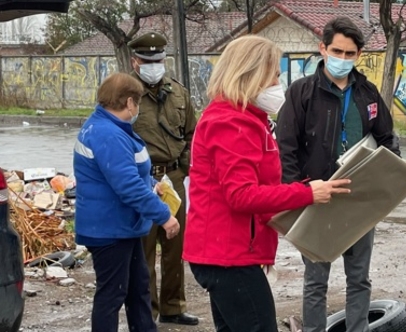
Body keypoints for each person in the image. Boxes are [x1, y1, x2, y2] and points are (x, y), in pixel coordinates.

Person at [182, 35, 351, 332]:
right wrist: (307, 193)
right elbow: (242, 196)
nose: (277, 83)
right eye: (274, 75)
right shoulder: (233, 122)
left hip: (228, 252)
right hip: (228, 255)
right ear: (252, 75)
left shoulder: (242, 118)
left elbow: (253, 189)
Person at [276, 16, 400, 332]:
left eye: (349, 54)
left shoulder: (368, 93)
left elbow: (387, 140)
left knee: (359, 278)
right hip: (316, 199)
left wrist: (387, 182)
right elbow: (285, 148)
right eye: (337, 51)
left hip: (360, 202)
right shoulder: (301, 92)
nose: (342, 59)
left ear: (359, 55)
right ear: (323, 48)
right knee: (316, 280)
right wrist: (298, 194)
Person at [73, 72, 180, 332]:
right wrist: (164, 216)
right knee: (112, 295)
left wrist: (153, 185)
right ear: (129, 102)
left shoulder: (111, 127)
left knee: (137, 290)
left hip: (121, 227)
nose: (139, 108)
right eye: (139, 102)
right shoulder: (107, 134)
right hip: (109, 230)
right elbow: (127, 186)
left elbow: (128, 174)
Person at [127, 31, 198, 326]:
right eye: (147, 60)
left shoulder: (178, 92)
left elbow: (192, 134)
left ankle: (173, 307)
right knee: (144, 251)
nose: (153, 65)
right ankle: (147, 312)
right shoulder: (126, 96)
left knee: (175, 247)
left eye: (158, 59)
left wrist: (182, 168)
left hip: (173, 179)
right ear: (135, 62)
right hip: (142, 181)